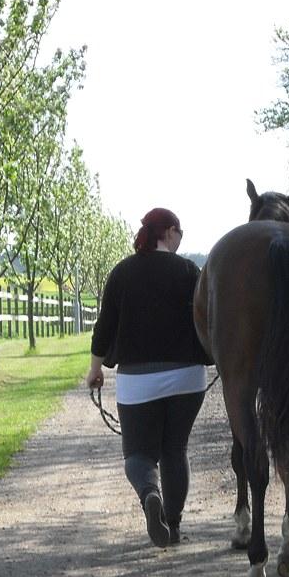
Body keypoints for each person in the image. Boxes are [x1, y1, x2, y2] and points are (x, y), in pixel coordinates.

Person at [86, 207, 212, 548]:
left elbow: (105, 327)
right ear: (169, 232)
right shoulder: (190, 271)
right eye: (180, 233)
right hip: (188, 378)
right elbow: (208, 321)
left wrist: (95, 368)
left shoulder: (123, 272)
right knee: (175, 448)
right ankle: (172, 523)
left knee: (139, 455)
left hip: (137, 381)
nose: (180, 240)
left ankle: (149, 494)